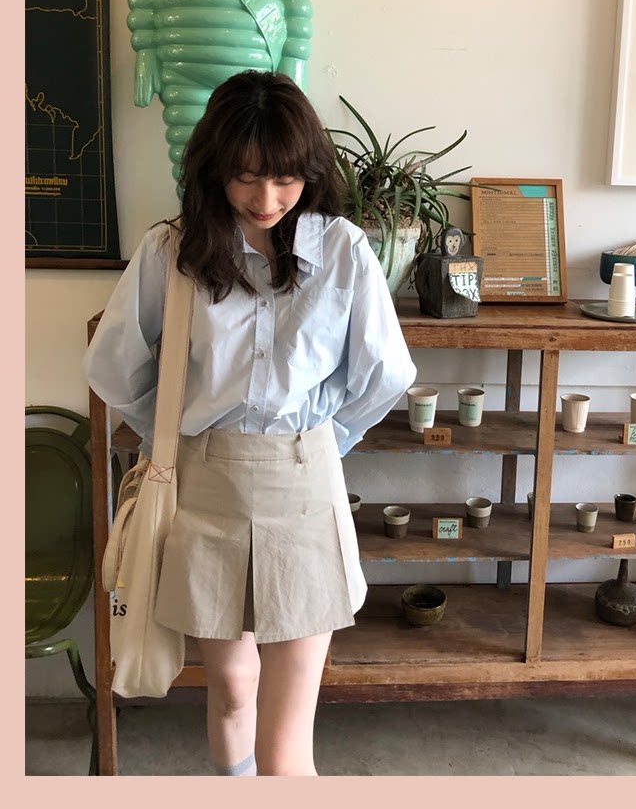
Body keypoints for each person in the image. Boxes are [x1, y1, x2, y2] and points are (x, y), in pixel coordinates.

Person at [83, 70, 417, 777]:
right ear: (214, 168)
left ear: (310, 171)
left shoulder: (344, 250)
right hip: (205, 485)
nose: (266, 199)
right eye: (245, 177)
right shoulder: (173, 250)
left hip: (304, 485)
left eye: (285, 178)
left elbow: (386, 374)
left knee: (288, 738)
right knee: (233, 688)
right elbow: (114, 367)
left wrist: (324, 441)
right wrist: (171, 434)